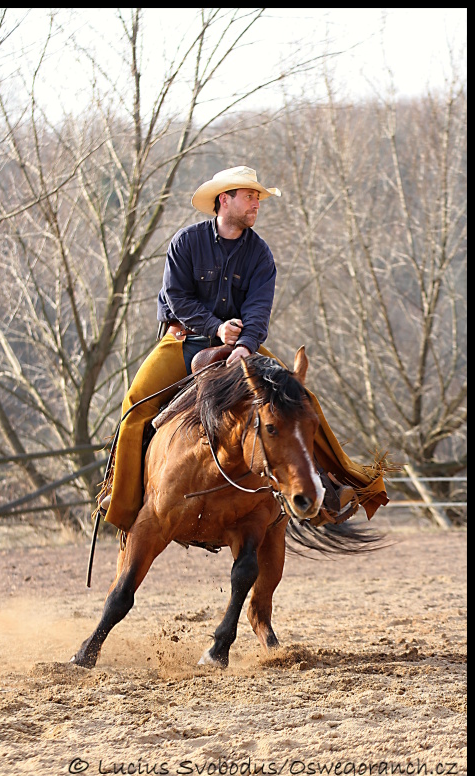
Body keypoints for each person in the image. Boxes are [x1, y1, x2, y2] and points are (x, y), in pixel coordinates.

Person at [99, 166, 389, 533]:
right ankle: (122, 496)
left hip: (241, 348)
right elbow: (176, 296)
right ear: (225, 199)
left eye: (258, 198)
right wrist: (215, 327)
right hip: (184, 339)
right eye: (250, 196)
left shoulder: (260, 255)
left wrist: (247, 344)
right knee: (137, 403)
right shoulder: (186, 242)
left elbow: (258, 309)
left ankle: (333, 489)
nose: (256, 204)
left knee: (300, 399)